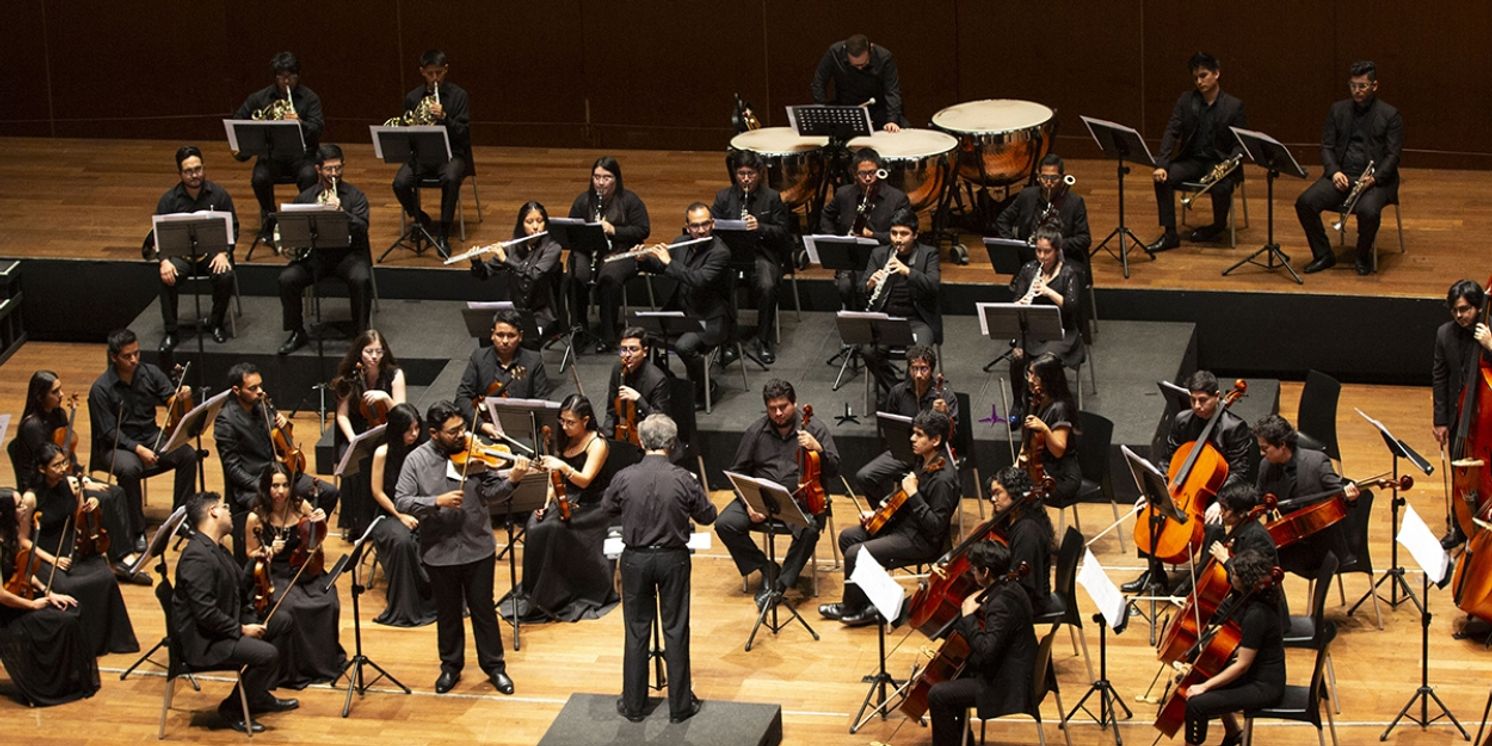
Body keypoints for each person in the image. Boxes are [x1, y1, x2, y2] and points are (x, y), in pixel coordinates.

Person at [395, 401, 523, 695]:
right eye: (453, 432)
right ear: (434, 433)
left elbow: (492, 493)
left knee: (483, 608)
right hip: (439, 550)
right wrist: (434, 502)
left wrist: (513, 480)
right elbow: (401, 500)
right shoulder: (416, 460)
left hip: (477, 544)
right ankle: (451, 666)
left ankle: (495, 667)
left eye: (463, 428)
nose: (462, 435)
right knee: (448, 611)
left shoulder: (475, 452)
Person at [602, 414, 718, 723]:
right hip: (672, 559)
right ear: (671, 444)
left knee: (637, 630)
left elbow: (606, 507)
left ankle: (634, 704)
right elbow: (708, 515)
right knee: (676, 629)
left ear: (641, 442)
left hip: (635, 560)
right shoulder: (684, 478)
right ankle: (680, 707)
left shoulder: (625, 476)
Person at [174, 491, 299, 734]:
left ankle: (257, 695)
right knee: (268, 655)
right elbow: (205, 614)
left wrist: (258, 563)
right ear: (213, 512)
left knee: (282, 621)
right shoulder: (196, 557)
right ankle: (232, 708)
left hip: (222, 624)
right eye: (225, 507)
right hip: (205, 640)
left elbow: (238, 587)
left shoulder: (218, 549)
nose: (230, 511)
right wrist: (242, 629)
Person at [822, 410, 958, 627]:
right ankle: (869, 604)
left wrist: (914, 494)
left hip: (922, 540)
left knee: (856, 552)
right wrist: (877, 515)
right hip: (903, 527)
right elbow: (900, 497)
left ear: (936, 440)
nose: (912, 438)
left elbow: (936, 526)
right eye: (913, 433)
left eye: (919, 434)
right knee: (848, 538)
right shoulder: (922, 461)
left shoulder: (944, 479)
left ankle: (852, 606)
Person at [1123, 370, 1253, 593]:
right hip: (1183, 488)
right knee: (1149, 509)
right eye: (1193, 399)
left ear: (1218, 396)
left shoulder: (1234, 428)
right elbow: (1168, 458)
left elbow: (1240, 471)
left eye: (1203, 400)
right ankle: (1155, 574)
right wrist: (1158, 490)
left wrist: (1221, 502)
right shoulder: (1183, 420)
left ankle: (1199, 583)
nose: (1197, 406)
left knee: (1213, 526)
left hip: (1217, 493)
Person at [717, 379, 839, 607]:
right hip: (762, 498)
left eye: (783, 406)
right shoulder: (756, 431)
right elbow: (738, 472)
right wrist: (748, 504)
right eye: (772, 408)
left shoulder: (814, 429)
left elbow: (834, 470)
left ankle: (780, 585)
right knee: (725, 524)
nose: (779, 413)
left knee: (810, 528)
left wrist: (818, 449)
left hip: (799, 499)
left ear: (795, 403)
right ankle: (766, 568)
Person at [15, 370, 143, 582]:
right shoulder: (32, 426)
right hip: (45, 486)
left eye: (60, 389)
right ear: (40, 396)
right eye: (55, 392)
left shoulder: (59, 415)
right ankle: (118, 560)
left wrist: (83, 478)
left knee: (116, 492)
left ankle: (124, 553)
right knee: (105, 498)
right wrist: (79, 482)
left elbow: (67, 457)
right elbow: (48, 464)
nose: (62, 395)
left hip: (62, 477)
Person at [502, 395, 618, 622]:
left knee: (554, 529)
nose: (564, 427)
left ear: (585, 420)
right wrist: (544, 503)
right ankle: (537, 593)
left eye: (570, 422)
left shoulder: (598, 444)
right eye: (562, 421)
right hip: (566, 498)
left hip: (592, 505)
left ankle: (560, 592)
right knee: (534, 525)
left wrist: (563, 466)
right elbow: (554, 480)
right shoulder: (563, 438)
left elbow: (584, 480)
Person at [22, 444, 140, 657]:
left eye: (63, 462)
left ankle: (110, 641)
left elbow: (79, 517)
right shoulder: (30, 498)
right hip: (44, 555)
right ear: (41, 469)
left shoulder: (71, 483)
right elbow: (23, 540)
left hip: (72, 547)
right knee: (70, 586)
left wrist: (90, 505)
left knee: (106, 578)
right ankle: (80, 647)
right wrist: (53, 559)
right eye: (56, 465)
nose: (62, 468)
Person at [87, 328, 200, 550]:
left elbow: (172, 403)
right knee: (130, 469)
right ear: (113, 357)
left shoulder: (150, 373)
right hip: (116, 446)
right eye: (127, 356)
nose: (134, 360)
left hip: (149, 436)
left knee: (187, 455)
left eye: (137, 353)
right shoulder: (101, 389)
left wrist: (182, 399)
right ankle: (137, 529)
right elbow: (109, 432)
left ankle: (180, 519)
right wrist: (139, 449)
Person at [214, 362, 339, 562]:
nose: (260, 391)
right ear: (237, 390)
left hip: (277, 474)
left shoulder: (262, 406)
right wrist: (265, 486)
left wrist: (283, 427)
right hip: (252, 484)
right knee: (278, 499)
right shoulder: (226, 421)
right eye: (253, 388)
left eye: (260, 385)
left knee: (329, 492)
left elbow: (280, 447)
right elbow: (233, 469)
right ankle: (273, 547)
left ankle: (303, 537)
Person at [243, 463, 346, 688]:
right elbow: (250, 553)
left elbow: (316, 537)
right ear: (266, 487)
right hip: (273, 573)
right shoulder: (256, 516)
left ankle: (323, 662)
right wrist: (269, 551)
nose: (280, 492)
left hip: (303, 568)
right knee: (292, 608)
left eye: (284, 486)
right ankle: (296, 667)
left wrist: (319, 521)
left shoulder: (300, 506)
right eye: (274, 486)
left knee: (328, 602)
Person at [926, 541, 1038, 746]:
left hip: (1008, 683)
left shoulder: (1001, 604)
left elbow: (987, 651)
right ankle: (963, 740)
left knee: (937, 695)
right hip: (1014, 667)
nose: (972, 574)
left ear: (986, 572)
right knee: (955, 676)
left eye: (974, 570)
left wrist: (968, 616)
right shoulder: (1010, 586)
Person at [1297, 60, 1404, 275]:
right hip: (1342, 175)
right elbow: (1327, 146)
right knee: (1305, 203)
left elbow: (1393, 156)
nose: (1357, 90)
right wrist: (1334, 171)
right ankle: (1324, 254)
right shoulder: (1338, 110)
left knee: (1368, 211)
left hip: (1376, 180)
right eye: (1353, 85)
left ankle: (1362, 254)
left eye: (1362, 86)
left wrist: (1374, 179)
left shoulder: (1390, 115)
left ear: (1374, 86)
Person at [0, 488, 100, 706]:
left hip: (21, 597)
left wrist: (49, 592)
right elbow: (1, 594)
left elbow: (24, 574)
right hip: (7, 612)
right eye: (18, 506)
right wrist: (33, 604)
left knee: (72, 609)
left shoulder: (11, 535)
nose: (24, 507)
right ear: (5, 512)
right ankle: (47, 685)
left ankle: (66, 681)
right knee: (62, 622)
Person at [1145, 52, 1247, 255]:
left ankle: (1218, 226)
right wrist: (1161, 164)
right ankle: (1170, 234)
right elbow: (1171, 131)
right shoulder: (1186, 101)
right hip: (1192, 160)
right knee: (1162, 179)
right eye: (1196, 78)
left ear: (1216, 74)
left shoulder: (1234, 106)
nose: (1199, 82)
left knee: (1222, 186)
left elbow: (1240, 144)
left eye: (1204, 75)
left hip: (1218, 161)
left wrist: (1227, 165)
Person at [276, 143, 374, 355]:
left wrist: (342, 214)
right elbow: (293, 230)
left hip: (348, 256)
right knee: (287, 278)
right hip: (315, 257)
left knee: (362, 279)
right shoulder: (305, 198)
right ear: (318, 170)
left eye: (338, 168)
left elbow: (363, 227)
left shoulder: (355, 196)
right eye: (329, 169)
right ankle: (296, 331)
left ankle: (360, 334)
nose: (334, 174)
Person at [1182, 548, 1285, 746]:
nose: (1231, 576)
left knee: (1197, 704)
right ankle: (1233, 733)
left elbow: (1242, 665)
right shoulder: (1252, 598)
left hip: (1263, 686)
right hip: (1256, 674)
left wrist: (1204, 686)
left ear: (1246, 581)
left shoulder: (1257, 614)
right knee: (1213, 674)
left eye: (1235, 574)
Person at [635, 203, 732, 408]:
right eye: (695, 226)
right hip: (682, 313)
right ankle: (671, 383)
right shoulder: (681, 242)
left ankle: (706, 387)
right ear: (687, 227)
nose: (701, 230)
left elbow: (698, 279)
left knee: (684, 346)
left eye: (706, 224)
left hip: (710, 318)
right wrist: (644, 259)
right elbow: (663, 267)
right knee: (643, 337)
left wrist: (669, 263)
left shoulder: (720, 252)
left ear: (712, 223)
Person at [149, 145, 238, 352]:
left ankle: (216, 324)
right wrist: (163, 261)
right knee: (166, 278)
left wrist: (225, 253)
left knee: (225, 275)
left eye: (198, 169)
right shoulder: (169, 200)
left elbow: (233, 227)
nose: (194, 175)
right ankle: (171, 332)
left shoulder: (219, 195)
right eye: (188, 171)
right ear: (180, 173)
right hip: (182, 257)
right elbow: (158, 236)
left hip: (212, 254)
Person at [711, 150, 791, 363]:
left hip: (761, 255)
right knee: (718, 282)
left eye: (750, 174)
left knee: (766, 285)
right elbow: (713, 230)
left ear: (759, 173)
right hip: (731, 256)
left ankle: (763, 339)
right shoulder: (723, 198)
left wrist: (760, 227)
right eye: (741, 173)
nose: (745, 179)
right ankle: (727, 341)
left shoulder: (772, 198)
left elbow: (784, 233)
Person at [233, 52, 322, 241]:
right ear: (276, 77)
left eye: (291, 76)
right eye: (281, 76)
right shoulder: (259, 98)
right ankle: (270, 218)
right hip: (272, 156)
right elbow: (238, 121)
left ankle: (303, 221)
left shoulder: (310, 98)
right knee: (259, 178)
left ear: (298, 76)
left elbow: (318, 128)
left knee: (309, 175)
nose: (286, 81)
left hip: (302, 155)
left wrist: (300, 122)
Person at [1254, 415, 1356, 577]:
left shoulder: (1317, 463)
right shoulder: (1266, 466)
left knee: (1261, 567)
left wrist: (1350, 498)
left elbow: (1338, 494)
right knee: (1252, 563)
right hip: (1284, 539)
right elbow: (1258, 499)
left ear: (1282, 445)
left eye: (1265, 448)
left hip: (1317, 545)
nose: (1261, 453)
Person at [391, 49, 471, 256]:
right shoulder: (413, 97)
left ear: (446, 70)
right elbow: (406, 128)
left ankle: (443, 233)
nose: (435, 78)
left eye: (438, 73)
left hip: (452, 154)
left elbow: (463, 133)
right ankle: (420, 219)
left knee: (451, 178)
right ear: (421, 72)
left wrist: (444, 116)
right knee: (399, 183)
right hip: (422, 155)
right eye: (429, 73)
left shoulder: (459, 96)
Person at [854, 344, 956, 505]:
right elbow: (891, 428)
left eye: (924, 369)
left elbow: (953, 435)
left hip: (932, 456)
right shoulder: (897, 392)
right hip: (904, 452)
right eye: (914, 369)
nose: (918, 375)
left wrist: (945, 415)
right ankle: (885, 514)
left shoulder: (945, 396)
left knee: (925, 484)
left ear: (932, 370)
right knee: (864, 476)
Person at [567, 156, 651, 352]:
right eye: (596, 177)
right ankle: (578, 328)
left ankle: (608, 333)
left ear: (616, 179)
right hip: (588, 251)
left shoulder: (629, 200)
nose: (600, 182)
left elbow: (642, 230)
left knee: (609, 277)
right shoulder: (583, 201)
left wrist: (614, 230)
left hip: (621, 251)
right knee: (575, 275)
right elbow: (571, 230)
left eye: (606, 177)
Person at [1432, 279, 1492, 548]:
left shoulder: (1489, 331)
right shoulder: (1445, 334)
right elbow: (1440, 377)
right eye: (1455, 310)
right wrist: (1441, 420)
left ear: (1479, 307)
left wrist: (1491, 345)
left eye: (1466, 309)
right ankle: (1459, 525)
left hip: (1486, 422)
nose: (1460, 316)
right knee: (1460, 475)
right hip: (1459, 417)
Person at [367, 403, 437, 627]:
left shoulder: (422, 450)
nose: (414, 434)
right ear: (397, 430)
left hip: (417, 509)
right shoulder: (383, 452)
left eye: (417, 428)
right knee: (402, 540)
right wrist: (400, 515)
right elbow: (377, 492)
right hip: (389, 514)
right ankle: (407, 606)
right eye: (409, 430)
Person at [331, 330, 406, 538]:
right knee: (353, 460)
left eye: (379, 351)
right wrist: (353, 438)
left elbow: (403, 414)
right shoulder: (348, 378)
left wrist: (385, 398)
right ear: (359, 352)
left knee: (380, 457)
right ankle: (357, 522)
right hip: (358, 435)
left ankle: (382, 514)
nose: (374, 356)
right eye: (369, 351)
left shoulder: (394, 375)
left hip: (387, 434)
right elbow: (342, 416)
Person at [861, 208, 941, 397]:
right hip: (886, 319)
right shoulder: (879, 254)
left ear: (915, 235)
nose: (898, 239)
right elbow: (861, 289)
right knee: (868, 351)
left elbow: (933, 285)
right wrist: (870, 283)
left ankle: (911, 392)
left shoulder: (929, 254)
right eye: (894, 233)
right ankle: (898, 392)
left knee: (920, 358)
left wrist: (908, 272)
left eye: (904, 234)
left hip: (918, 320)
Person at [821, 149, 911, 309]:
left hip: (884, 257)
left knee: (875, 288)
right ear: (854, 174)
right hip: (852, 258)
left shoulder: (897, 199)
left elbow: (903, 234)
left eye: (872, 172)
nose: (868, 178)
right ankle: (855, 323)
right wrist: (835, 241)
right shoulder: (844, 194)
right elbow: (826, 216)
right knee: (846, 286)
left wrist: (872, 235)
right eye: (863, 173)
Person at [1008, 227, 1084, 411]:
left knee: (1043, 361)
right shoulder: (1028, 270)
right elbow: (1015, 301)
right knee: (1017, 357)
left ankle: (1049, 405)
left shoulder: (1068, 273)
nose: (1042, 256)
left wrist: (1048, 291)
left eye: (1047, 251)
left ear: (1057, 251)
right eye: (1038, 250)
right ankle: (1018, 403)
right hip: (1033, 330)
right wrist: (1022, 301)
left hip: (1062, 332)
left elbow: (1072, 309)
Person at [470, 201, 563, 340]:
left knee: (527, 339)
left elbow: (534, 274)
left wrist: (506, 260)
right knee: (488, 335)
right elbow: (485, 274)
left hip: (542, 313)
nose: (536, 227)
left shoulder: (553, 248)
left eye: (539, 221)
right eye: (529, 222)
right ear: (522, 225)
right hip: (514, 309)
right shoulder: (513, 247)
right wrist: (476, 261)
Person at [456, 309, 553, 438]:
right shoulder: (478, 357)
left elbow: (542, 402)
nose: (505, 341)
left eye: (511, 335)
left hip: (520, 432)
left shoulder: (533, 361)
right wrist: (481, 425)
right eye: (500, 335)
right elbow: (462, 397)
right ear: (492, 335)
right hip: (485, 427)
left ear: (520, 336)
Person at [995, 154, 1092, 274]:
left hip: (1063, 259)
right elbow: (1003, 220)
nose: (1049, 183)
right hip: (1031, 258)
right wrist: (1014, 246)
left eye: (1054, 178)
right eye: (1044, 177)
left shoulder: (1075, 202)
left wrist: (1054, 245)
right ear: (1037, 177)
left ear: (1062, 177)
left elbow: (1084, 239)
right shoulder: (1026, 196)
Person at [987, 467, 1057, 614]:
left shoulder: (1027, 531)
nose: (993, 499)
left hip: (1029, 602)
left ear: (1014, 493)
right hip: (1017, 592)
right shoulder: (1011, 520)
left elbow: (1023, 585)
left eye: (998, 493)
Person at [1018, 353, 1082, 508]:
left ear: (1048, 379)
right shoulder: (1035, 399)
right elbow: (1026, 443)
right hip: (1040, 468)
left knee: (1021, 495)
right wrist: (1017, 465)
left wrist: (1045, 430)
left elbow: (1058, 451)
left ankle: (1033, 530)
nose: (1031, 380)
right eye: (1030, 373)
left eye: (1035, 376)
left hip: (1061, 476)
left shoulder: (1060, 407)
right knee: (1001, 484)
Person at [810, 33, 907, 132]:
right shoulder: (835, 52)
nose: (860, 68)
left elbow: (892, 90)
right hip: (846, 108)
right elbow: (819, 82)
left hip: (877, 108)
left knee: (899, 129)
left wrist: (892, 120)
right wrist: (820, 111)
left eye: (863, 64)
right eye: (855, 66)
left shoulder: (884, 57)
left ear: (870, 50)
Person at [603, 326, 672, 445]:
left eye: (633, 349)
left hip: (650, 438)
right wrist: (607, 439)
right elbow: (611, 410)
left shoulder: (658, 379)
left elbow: (660, 421)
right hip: (622, 434)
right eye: (623, 349)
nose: (627, 355)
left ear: (645, 351)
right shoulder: (618, 370)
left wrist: (639, 399)